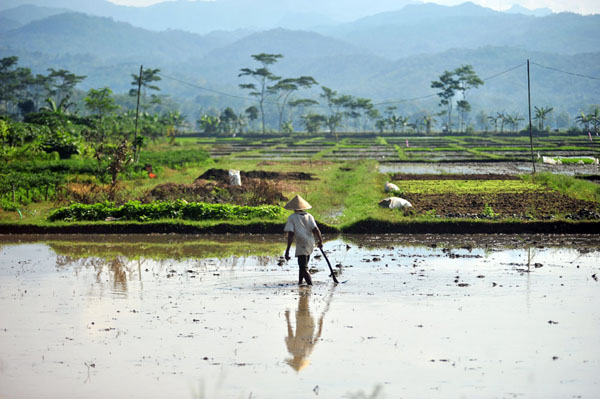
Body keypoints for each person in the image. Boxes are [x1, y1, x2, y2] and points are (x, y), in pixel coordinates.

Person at [283, 195, 323, 286]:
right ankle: (300, 283)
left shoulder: (292, 217)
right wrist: (320, 241)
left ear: (293, 208)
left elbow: (291, 234)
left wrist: (287, 250)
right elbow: (316, 230)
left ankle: (310, 285)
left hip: (301, 242)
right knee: (303, 265)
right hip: (310, 242)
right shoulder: (309, 216)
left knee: (303, 267)